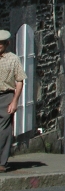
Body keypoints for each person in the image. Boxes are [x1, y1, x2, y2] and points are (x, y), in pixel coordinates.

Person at [0, 30, 26, 173]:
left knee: (4, 131)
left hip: (6, 96)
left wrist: (15, 101)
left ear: (7, 44)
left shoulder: (13, 59)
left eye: (2, 43)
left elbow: (20, 81)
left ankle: (1, 162)